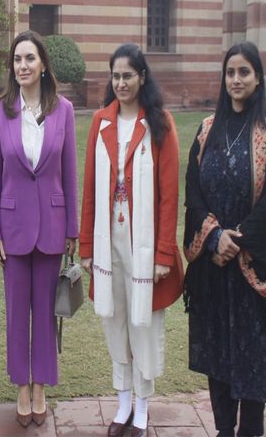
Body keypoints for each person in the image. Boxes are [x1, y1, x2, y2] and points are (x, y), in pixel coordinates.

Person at [184, 42, 266, 437]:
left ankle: (250, 431)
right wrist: (214, 237)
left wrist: (238, 240)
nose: (236, 79)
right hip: (216, 264)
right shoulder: (207, 129)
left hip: (251, 265)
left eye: (244, 72)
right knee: (219, 354)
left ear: (257, 77)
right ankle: (223, 430)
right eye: (230, 72)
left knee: (251, 354)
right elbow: (193, 191)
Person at [79, 44, 183, 437]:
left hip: (145, 244)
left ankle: (142, 408)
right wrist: (86, 247)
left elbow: (169, 194)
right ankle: (122, 403)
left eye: (128, 76)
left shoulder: (160, 123)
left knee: (144, 324)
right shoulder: (101, 122)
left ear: (142, 77)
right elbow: (90, 188)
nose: (121, 83)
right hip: (109, 241)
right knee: (116, 320)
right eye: (116, 76)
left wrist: (164, 254)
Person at [0, 30, 78, 428]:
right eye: (17, 59)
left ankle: (41, 386)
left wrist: (72, 228)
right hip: (13, 229)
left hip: (53, 228)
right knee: (16, 315)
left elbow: (69, 173)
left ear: (42, 65)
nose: (22, 66)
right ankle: (21, 387)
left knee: (45, 313)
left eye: (29, 58)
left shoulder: (64, 111)